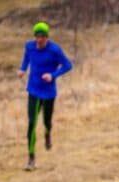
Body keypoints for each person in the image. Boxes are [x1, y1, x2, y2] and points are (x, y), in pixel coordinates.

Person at [18, 21, 73, 171]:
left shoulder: (55, 50)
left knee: (46, 121)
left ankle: (48, 133)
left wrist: (53, 75)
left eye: (42, 37)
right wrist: (22, 69)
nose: (39, 39)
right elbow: (26, 60)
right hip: (34, 90)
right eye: (37, 36)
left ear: (47, 37)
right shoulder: (29, 46)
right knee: (32, 123)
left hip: (48, 92)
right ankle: (31, 158)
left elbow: (68, 65)